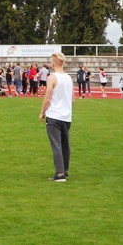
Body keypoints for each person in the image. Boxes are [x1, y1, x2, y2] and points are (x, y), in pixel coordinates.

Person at [39, 52, 74, 182]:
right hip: (66, 116)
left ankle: (59, 173)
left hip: (54, 115)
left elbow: (48, 98)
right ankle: (64, 169)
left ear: (53, 63)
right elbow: (72, 99)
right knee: (65, 144)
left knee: (56, 145)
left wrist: (42, 112)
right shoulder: (69, 78)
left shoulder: (52, 78)